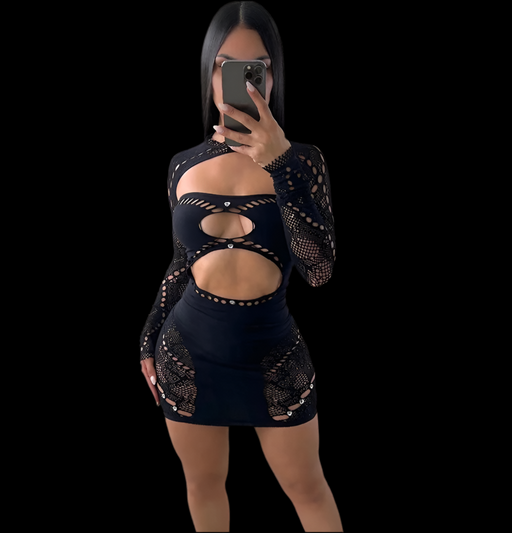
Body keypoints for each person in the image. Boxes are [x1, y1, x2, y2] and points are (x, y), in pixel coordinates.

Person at [140, 2, 343, 531]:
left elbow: (319, 271)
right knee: (203, 486)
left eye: (257, 68)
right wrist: (147, 337)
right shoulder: (182, 165)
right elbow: (181, 262)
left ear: (273, 76)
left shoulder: (304, 162)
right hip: (188, 351)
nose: (241, 82)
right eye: (225, 66)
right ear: (208, 72)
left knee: (309, 489)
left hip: (273, 354)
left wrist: (279, 164)